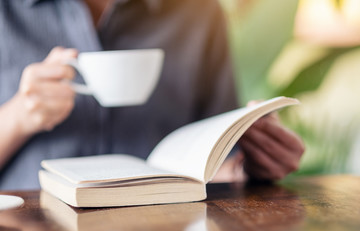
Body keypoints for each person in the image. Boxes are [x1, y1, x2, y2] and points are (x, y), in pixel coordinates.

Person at [0, 0, 304, 190]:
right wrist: (17, 116)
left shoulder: (199, 12)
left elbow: (215, 166)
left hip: (165, 227)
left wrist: (249, 167)